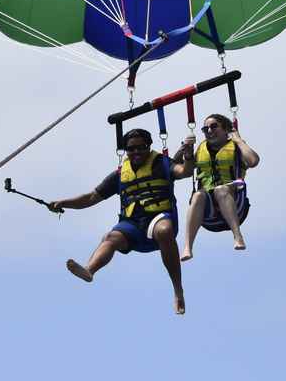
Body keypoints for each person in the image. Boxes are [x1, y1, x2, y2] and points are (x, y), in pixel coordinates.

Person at [50, 127, 195, 315]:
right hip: (132, 226)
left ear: (149, 146)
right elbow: (91, 197)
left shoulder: (162, 163)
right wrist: (64, 203)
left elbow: (185, 171)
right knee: (110, 237)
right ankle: (89, 270)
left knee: (164, 230)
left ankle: (178, 290)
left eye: (141, 147)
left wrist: (188, 156)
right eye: (131, 149)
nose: (136, 152)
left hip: (158, 219)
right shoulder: (120, 174)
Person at [181, 113, 259, 261]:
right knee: (197, 195)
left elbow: (253, 161)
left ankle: (237, 236)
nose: (209, 131)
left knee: (221, 190)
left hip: (236, 202)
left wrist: (239, 140)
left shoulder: (236, 147)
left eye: (214, 126)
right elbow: (185, 171)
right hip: (208, 214)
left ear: (226, 130)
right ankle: (187, 247)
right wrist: (187, 154)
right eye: (205, 129)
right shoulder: (201, 149)